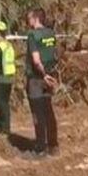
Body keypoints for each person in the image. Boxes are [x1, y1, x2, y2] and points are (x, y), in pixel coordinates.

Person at [25, 8, 59, 158]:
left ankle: (40, 148)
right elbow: (55, 54)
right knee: (48, 111)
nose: (28, 21)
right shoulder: (51, 33)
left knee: (37, 113)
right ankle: (53, 145)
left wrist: (43, 74)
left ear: (35, 18)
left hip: (37, 79)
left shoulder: (33, 35)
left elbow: (36, 60)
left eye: (29, 18)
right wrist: (52, 74)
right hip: (50, 76)